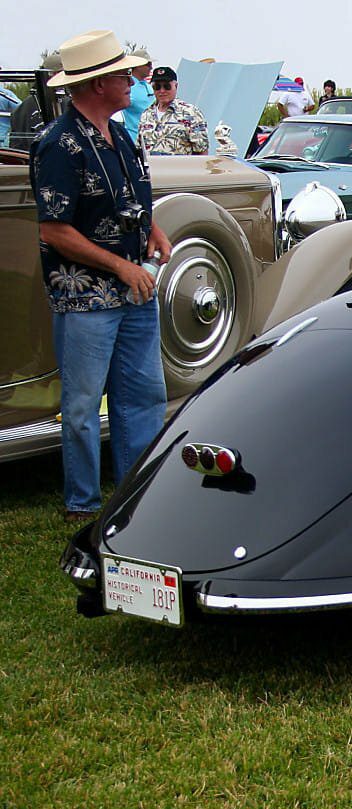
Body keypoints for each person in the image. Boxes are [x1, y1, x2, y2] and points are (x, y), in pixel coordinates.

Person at [30, 29, 172, 522]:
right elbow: (54, 231)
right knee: (84, 406)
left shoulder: (122, 137)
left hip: (134, 288)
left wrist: (153, 230)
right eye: (122, 74)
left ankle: (135, 495)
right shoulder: (59, 146)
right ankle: (83, 505)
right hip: (88, 297)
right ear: (97, 85)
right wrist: (121, 265)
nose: (134, 81)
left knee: (144, 395)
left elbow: (131, 197)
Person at [137, 66, 209, 155]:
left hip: (180, 168)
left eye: (167, 86)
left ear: (176, 86)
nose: (162, 91)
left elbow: (202, 151)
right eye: (157, 87)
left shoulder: (190, 113)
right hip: (151, 168)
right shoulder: (146, 114)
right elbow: (140, 148)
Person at [8, 51, 63, 151]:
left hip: (24, 161)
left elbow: (15, 146)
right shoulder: (64, 102)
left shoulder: (20, 109)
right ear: (55, 74)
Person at [118, 49, 152, 142]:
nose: (151, 67)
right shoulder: (126, 86)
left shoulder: (150, 87)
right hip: (134, 139)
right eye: (148, 64)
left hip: (151, 141)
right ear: (137, 65)